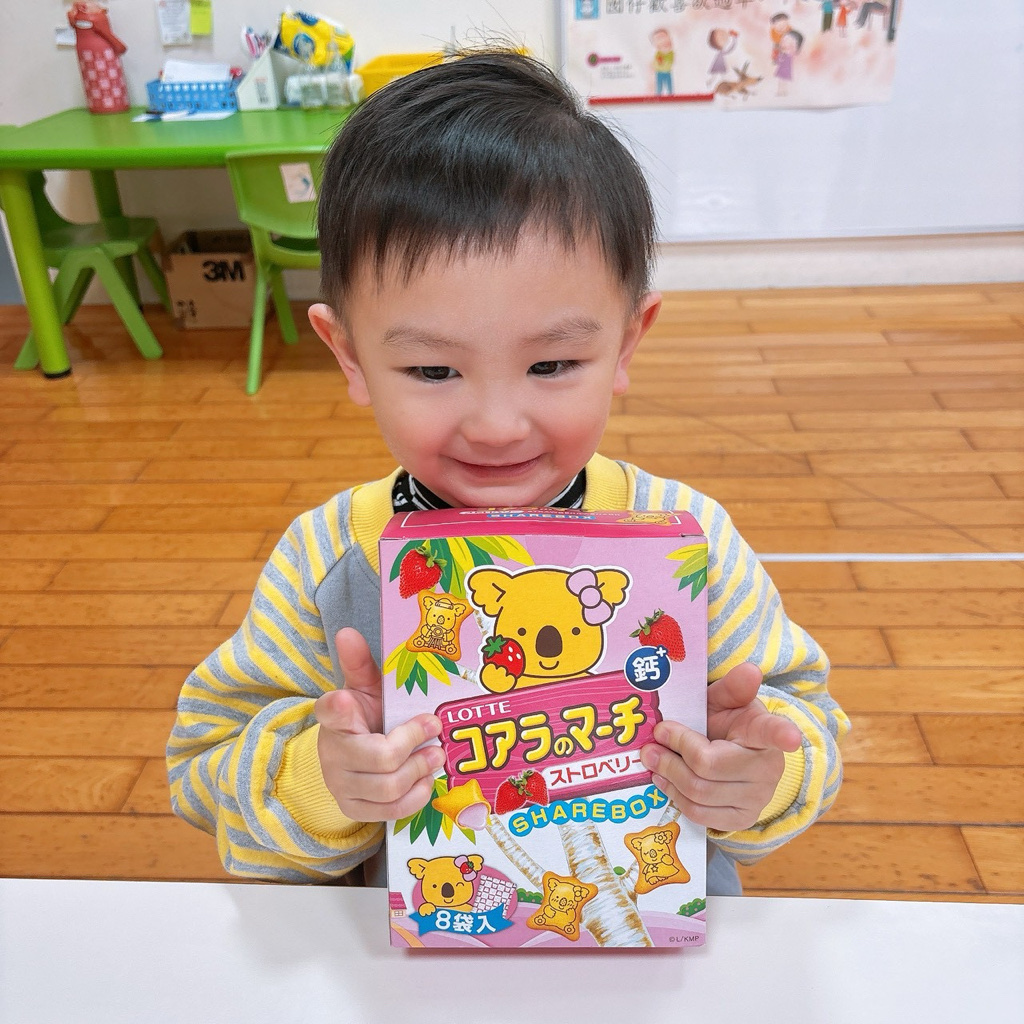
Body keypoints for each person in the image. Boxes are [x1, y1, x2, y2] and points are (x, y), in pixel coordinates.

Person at [167, 52, 849, 896]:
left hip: (649, 938)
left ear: (626, 343)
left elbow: (807, 725)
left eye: (553, 364)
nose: (497, 426)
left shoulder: (689, 543)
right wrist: (321, 783)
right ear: (348, 356)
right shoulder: (327, 562)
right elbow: (201, 767)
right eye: (433, 371)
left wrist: (758, 778)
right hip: (413, 943)